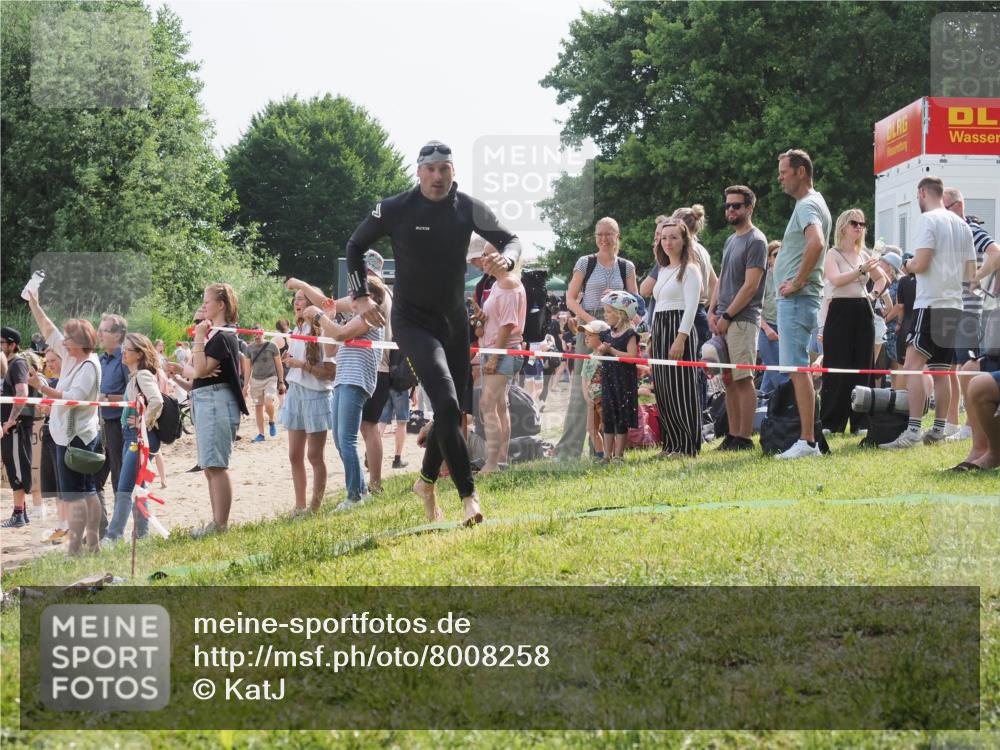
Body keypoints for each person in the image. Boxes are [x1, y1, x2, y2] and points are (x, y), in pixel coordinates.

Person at [344, 139, 521, 526]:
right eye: (431, 169)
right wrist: (359, 296)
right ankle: (469, 497)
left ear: (453, 171)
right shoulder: (396, 208)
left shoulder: (467, 207)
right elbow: (355, 245)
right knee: (444, 402)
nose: (438, 176)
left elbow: (511, 240)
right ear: (419, 172)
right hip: (412, 321)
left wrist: (507, 260)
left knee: (453, 413)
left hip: (453, 322)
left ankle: (425, 483)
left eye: (445, 169)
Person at [880, 176, 976, 449]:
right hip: (953, 305)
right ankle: (938, 429)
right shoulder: (962, 225)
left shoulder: (928, 220)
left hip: (931, 302)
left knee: (912, 368)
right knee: (941, 371)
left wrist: (908, 265)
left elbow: (921, 263)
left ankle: (912, 432)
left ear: (922, 192)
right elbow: (970, 273)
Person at [25, 290, 103, 555]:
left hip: (77, 437)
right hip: (70, 435)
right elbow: (48, 328)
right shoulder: (73, 358)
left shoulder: (89, 365)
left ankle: (77, 548)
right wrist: (34, 303)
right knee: (85, 491)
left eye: (68, 338)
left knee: (77, 494)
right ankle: (91, 545)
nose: (63, 341)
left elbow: (73, 398)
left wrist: (41, 387)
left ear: (79, 342)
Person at [304, 271, 389, 511]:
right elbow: (331, 350)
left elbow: (340, 334)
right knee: (341, 440)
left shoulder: (370, 316)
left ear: (370, 297)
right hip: (344, 379)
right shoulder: (353, 319)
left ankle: (354, 496)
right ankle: (360, 491)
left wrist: (320, 316)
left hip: (356, 380)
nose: (351, 297)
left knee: (347, 439)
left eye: (354, 294)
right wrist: (329, 320)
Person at [558, 217, 639, 459]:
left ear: (617, 236)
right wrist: (591, 322)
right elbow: (570, 298)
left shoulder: (626, 266)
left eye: (608, 234)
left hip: (617, 327)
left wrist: (618, 295)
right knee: (582, 387)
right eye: (599, 234)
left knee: (610, 388)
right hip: (590, 325)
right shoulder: (586, 262)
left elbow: (635, 303)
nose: (603, 238)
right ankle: (568, 450)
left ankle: (603, 451)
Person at [773, 149, 832, 459]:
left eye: (784, 172)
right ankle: (808, 439)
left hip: (797, 300)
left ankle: (807, 441)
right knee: (800, 369)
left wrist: (796, 282)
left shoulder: (808, 204)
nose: (780, 178)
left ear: (800, 172)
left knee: (798, 370)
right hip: (801, 300)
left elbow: (817, 242)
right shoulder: (812, 202)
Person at [183, 283, 249, 535]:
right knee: (209, 466)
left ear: (221, 305)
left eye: (207, 301)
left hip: (216, 401)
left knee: (217, 465)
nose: (203, 306)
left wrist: (199, 337)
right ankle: (216, 522)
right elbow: (197, 369)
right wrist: (197, 367)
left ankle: (220, 524)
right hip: (206, 399)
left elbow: (199, 369)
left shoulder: (223, 336)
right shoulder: (217, 335)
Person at [709, 185, 768, 451]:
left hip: (743, 319)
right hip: (723, 318)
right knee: (729, 381)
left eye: (736, 205)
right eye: (727, 206)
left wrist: (727, 315)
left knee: (743, 379)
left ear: (749, 208)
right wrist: (712, 310)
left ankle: (744, 438)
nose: (730, 210)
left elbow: (751, 286)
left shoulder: (757, 240)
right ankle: (732, 435)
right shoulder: (731, 240)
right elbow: (722, 278)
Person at [819, 209, 885, 434]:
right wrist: (861, 271)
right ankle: (831, 421)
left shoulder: (864, 255)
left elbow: (882, 279)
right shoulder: (833, 254)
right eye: (854, 223)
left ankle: (861, 422)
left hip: (863, 310)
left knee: (863, 366)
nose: (859, 227)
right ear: (843, 226)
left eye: (862, 224)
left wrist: (873, 296)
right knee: (837, 365)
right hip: (840, 310)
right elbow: (835, 280)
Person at [277, 289, 336, 514]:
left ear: (312, 302)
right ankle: (299, 506)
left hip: (316, 396)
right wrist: (290, 361)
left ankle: (315, 508)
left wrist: (301, 365)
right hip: (295, 394)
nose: (296, 302)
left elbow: (330, 373)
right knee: (294, 454)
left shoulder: (325, 331)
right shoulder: (297, 330)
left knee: (314, 456)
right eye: (295, 299)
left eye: (300, 298)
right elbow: (297, 362)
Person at [650, 218, 703, 457]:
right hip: (660, 328)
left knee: (681, 387)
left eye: (673, 237)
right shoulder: (663, 270)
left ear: (684, 241)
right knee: (664, 389)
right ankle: (671, 443)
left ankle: (687, 444)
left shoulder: (690, 269)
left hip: (678, 327)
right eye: (664, 238)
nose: (668, 242)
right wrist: (653, 337)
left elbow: (691, 307)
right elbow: (657, 304)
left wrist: (680, 338)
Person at [471, 250, 526, 474]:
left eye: (488, 254)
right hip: (497, 350)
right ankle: (499, 461)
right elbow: (499, 322)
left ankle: (492, 463)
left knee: (488, 405)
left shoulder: (507, 284)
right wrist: (481, 319)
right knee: (499, 406)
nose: (483, 259)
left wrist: (495, 356)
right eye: (482, 255)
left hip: (502, 351)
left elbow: (508, 324)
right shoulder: (497, 284)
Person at [105, 334, 164, 543]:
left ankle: (113, 536)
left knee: (125, 487)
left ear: (139, 354)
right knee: (138, 487)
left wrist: (143, 422)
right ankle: (142, 535)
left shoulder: (142, 376)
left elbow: (157, 401)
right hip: (131, 436)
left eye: (127, 349)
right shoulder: (134, 377)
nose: (123, 353)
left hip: (138, 437)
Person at [94, 313, 130, 534]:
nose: (99, 334)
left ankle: (117, 533)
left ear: (117, 335)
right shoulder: (99, 360)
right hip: (100, 425)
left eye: (104, 330)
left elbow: (133, 394)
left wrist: (107, 398)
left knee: (118, 478)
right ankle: (102, 530)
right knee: (94, 478)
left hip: (120, 426)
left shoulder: (126, 359)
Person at [594, 291, 640, 462]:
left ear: (621, 314)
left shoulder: (630, 334)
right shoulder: (607, 334)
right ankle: (606, 456)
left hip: (623, 383)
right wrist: (601, 351)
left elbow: (632, 356)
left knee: (621, 418)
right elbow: (601, 356)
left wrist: (611, 350)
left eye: (608, 311)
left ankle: (618, 456)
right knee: (608, 418)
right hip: (609, 381)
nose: (605, 315)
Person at [1, 326, 35, 528]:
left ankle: (18, 514)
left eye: (2, 343)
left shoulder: (18, 363)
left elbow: (22, 394)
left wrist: (10, 421)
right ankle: (22, 512)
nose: (0, 346)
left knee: (18, 468)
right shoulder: (9, 364)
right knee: (13, 465)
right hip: (10, 427)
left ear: (12, 344)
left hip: (17, 427)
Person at [245, 327, 285, 442]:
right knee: (258, 407)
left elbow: (279, 365)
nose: (257, 336)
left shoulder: (272, 346)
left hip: (271, 378)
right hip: (256, 380)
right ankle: (261, 434)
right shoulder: (249, 348)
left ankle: (271, 420)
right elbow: (248, 368)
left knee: (268, 400)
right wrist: (245, 385)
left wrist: (281, 382)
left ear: (263, 333)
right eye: (254, 334)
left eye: (258, 334)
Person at [758, 241, 787, 396]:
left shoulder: (789, 276)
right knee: (780, 375)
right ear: (769, 259)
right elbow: (754, 308)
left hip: (785, 330)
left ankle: (761, 405)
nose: (780, 257)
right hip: (767, 329)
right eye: (776, 254)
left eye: (783, 253)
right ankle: (791, 402)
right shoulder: (763, 278)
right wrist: (767, 329)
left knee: (769, 379)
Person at [579, 320, 609, 459]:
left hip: (604, 397)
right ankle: (600, 455)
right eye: (586, 335)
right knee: (591, 429)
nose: (586, 338)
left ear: (601, 336)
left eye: (590, 335)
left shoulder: (607, 356)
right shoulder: (587, 358)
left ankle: (611, 455)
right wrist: (586, 397)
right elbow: (584, 378)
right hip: (591, 399)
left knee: (607, 428)